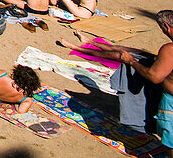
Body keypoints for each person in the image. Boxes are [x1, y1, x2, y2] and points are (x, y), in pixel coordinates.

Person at [70, 10, 173, 154]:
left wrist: (131, 61)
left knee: (170, 139)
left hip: (171, 103)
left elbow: (154, 77)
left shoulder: (170, 49)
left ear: (166, 27)